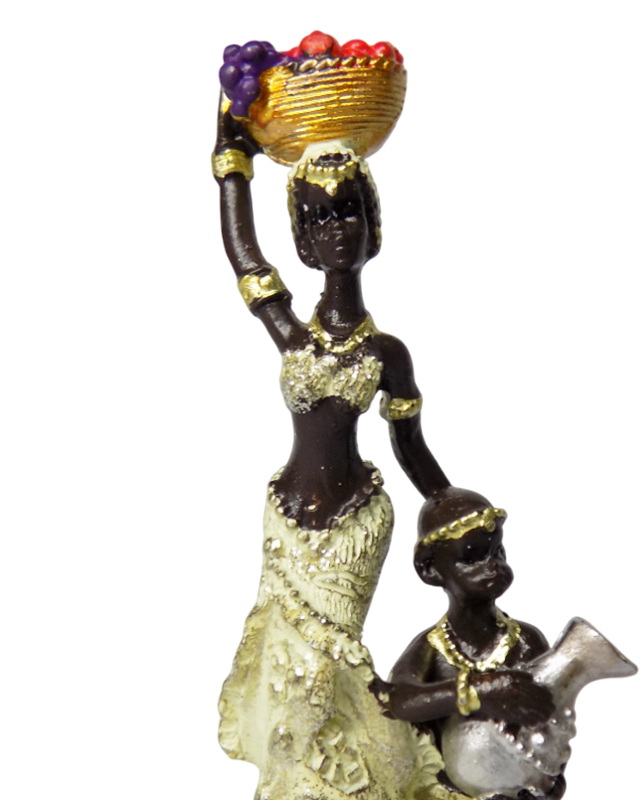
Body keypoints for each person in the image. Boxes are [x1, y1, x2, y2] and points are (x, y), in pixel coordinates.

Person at [212, 108, 457, 800]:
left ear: (372, 226)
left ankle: (375, 774)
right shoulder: (292, 333)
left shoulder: (386, 354)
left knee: (327, 663)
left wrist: (450, 507)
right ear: (303, 239)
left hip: (355, 525)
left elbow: (411, 446)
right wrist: (231, 160)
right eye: (317, 219)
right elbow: (244, 257)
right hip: (286, 520)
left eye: (347, 212)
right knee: (289, 669)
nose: (335, 230)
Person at [385, 487, 567, 800]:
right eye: (471, 558)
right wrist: (480, 692)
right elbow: (399, 698)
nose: (492, 566)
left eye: (497, 553)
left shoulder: (526, 642)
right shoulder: (432, 650)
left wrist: (549, 778)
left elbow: (552, 716)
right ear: (430, 569)